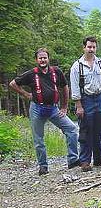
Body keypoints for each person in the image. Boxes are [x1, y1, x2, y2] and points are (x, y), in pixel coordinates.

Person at [9, 48, 80, 176]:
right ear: (36, 60)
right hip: (37, 109)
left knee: (71, 129)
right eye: (40, 58)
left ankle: (73, 160)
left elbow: (65, 87)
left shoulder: (56, 71)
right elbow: (13, 83)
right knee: (38, 139)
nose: (42, 60)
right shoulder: (31, 74)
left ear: (48, 58)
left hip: (54, 109)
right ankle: (43, 166)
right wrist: (25, 94)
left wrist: (64, 107)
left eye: (44, 57)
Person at [70, 37, 101, 172]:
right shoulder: (77, 66)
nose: (91, 49)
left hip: (100, 98)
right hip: (85, 99)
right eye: (89, 47)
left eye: (94, 47)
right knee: (85, 130)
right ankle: (85, 161)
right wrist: (79, 106)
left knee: (100, 129)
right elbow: (75, 87)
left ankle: (99, 158)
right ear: (84, 48)